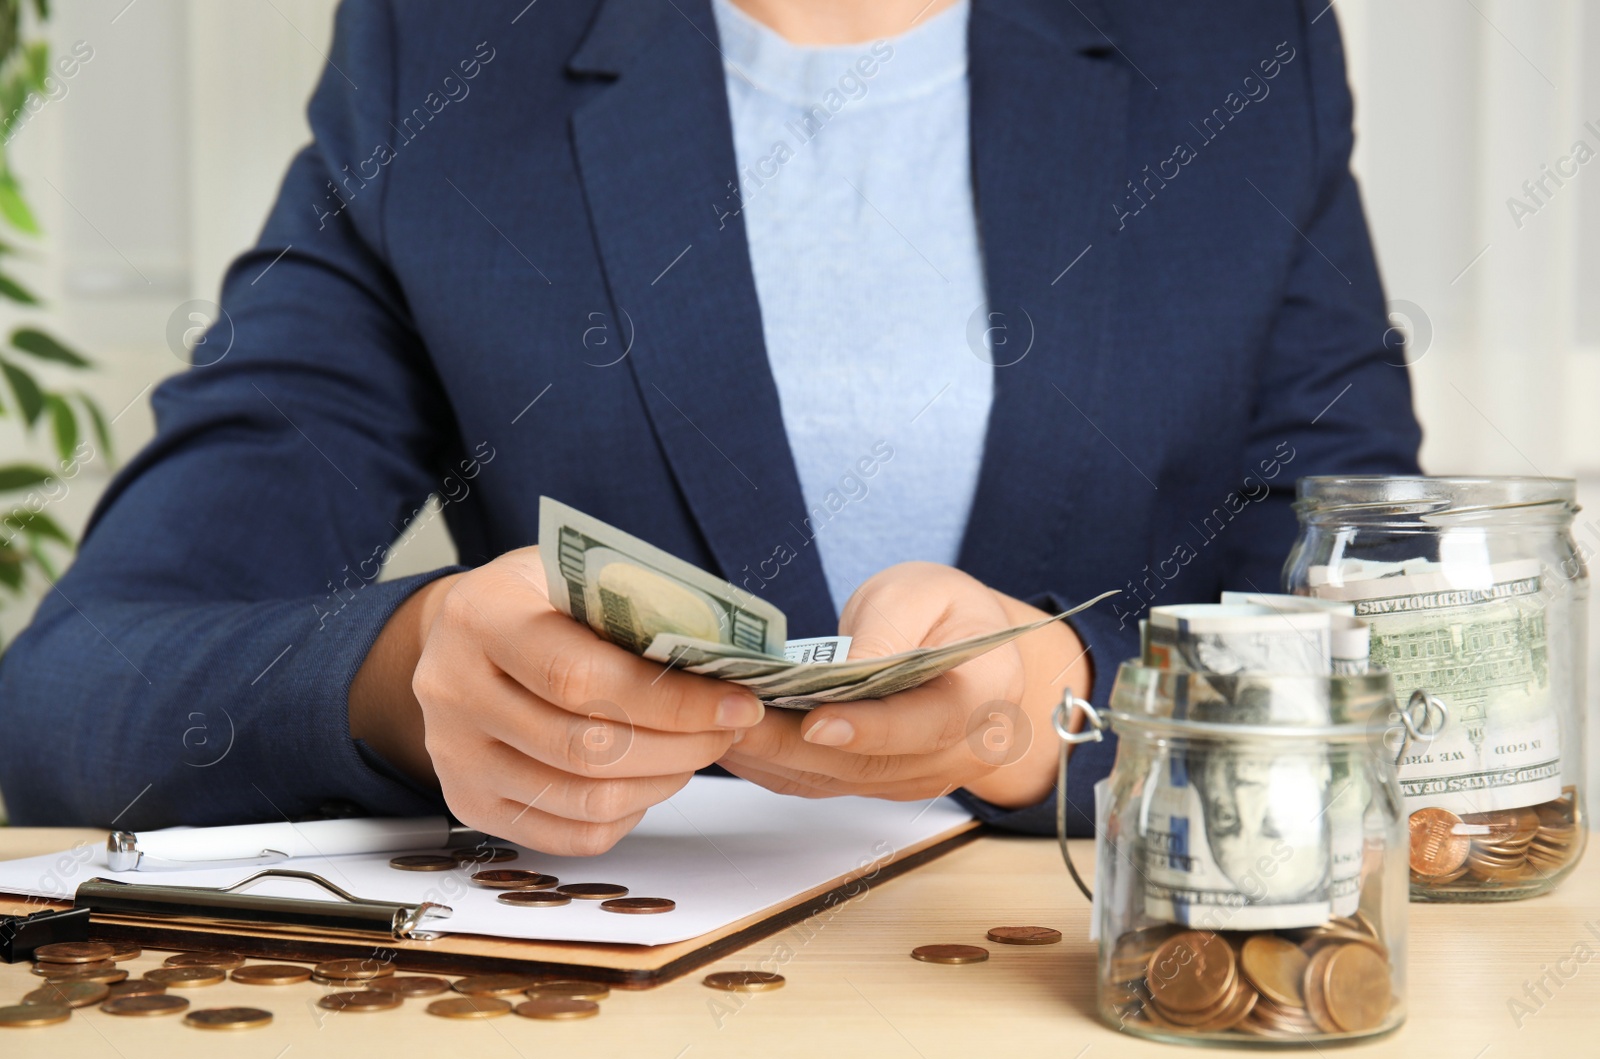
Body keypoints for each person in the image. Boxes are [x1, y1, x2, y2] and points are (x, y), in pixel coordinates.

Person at [0, 0, 1420, 853]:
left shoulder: (1234, 42)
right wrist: (404, 673)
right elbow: (71, 692)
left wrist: (1068, 711)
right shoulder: (442, 51)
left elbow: (1378, 617)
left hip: (1102, 994)